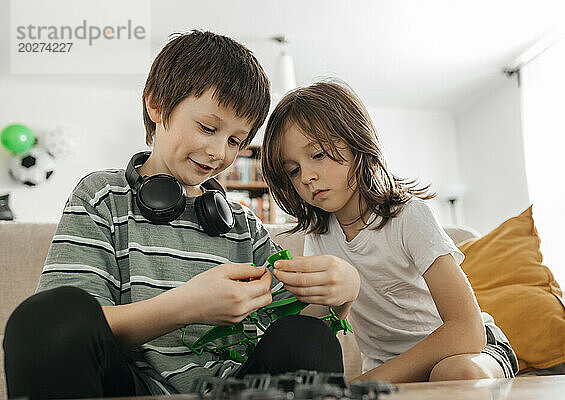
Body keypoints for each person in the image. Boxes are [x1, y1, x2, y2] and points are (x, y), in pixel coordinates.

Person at [2, 32, 358, 399]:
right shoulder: (103, 197)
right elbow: (69, 330)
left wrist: (344, 294)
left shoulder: (244, 227)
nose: (219, 152)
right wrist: (186, 306)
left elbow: (299, 344)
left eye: (236, 140)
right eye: (208, 127)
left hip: (233, 390)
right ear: (156, 105)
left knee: (307, 336)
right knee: (43, 318)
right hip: (131, 389)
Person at [261, 80, 519, 383]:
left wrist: (366, 383)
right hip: (391, 368)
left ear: (357, 142)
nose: (307, 177)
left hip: (473, 351)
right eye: (293, 170)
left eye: (317, 155)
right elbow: (316, 328)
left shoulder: (409, 216)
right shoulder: (319, 237)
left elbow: (467, 331)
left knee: (453, 372)